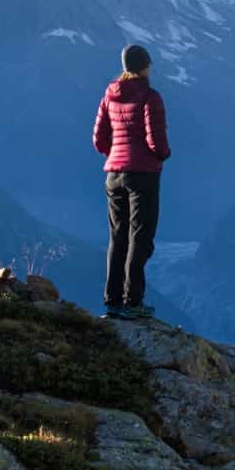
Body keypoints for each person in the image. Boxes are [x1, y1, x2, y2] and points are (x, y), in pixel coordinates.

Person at [92, 42, 170, 320]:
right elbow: (155, 140)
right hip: (143, 176)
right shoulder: (151, 97)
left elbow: (99, 139)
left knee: (118, 236)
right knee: (141, 237)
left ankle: (112, 301)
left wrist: (115, 155)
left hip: (113, 174)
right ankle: (133, 302)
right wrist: (162, 155)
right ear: (145, 66)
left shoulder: (109, 95)